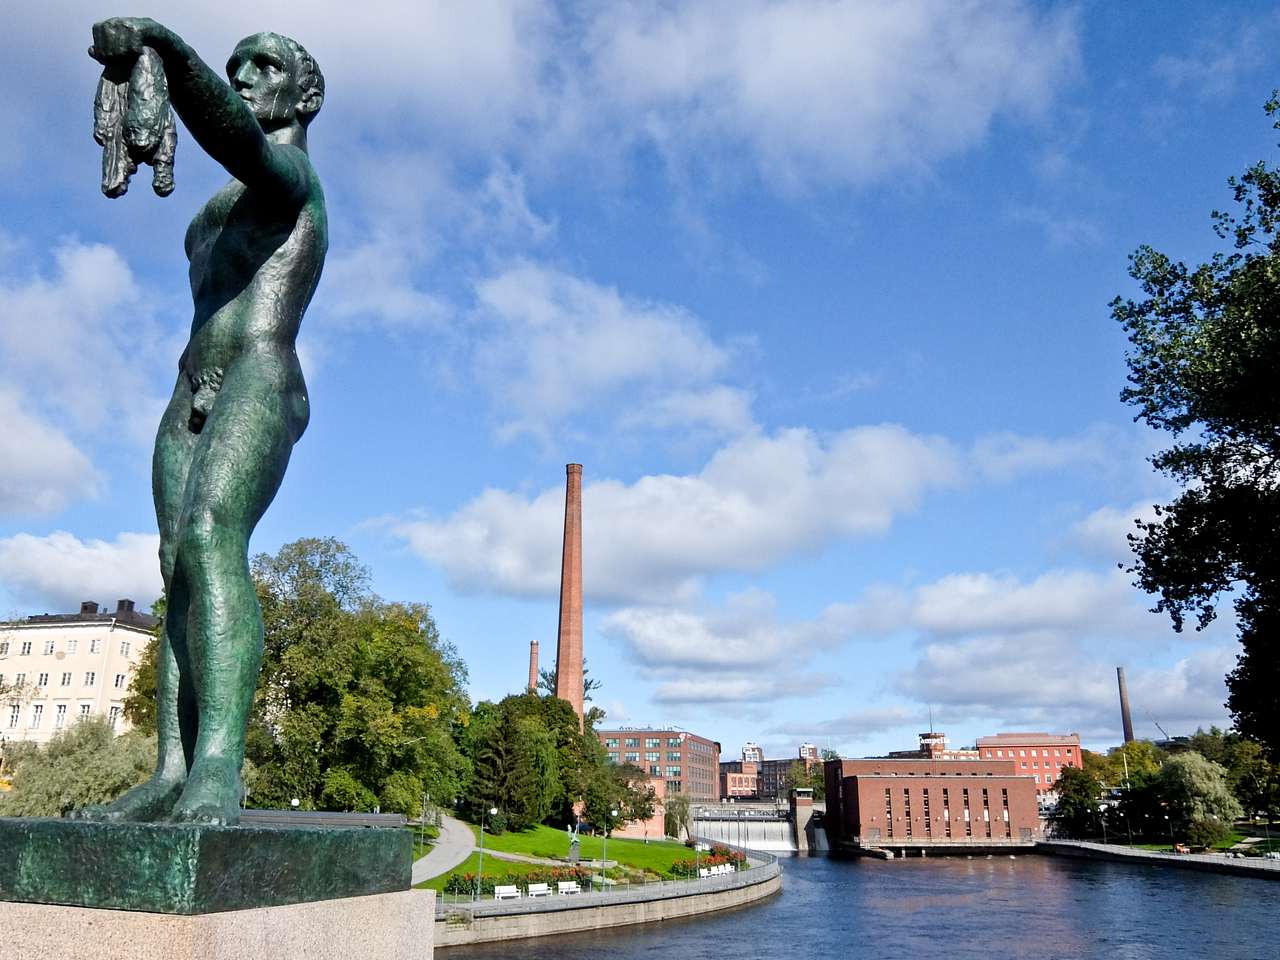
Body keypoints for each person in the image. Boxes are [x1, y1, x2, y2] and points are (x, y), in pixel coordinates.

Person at [77, 18, 327, 825]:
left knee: (214, 534)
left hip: (261, 370)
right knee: (177, 567)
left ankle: (219, 765)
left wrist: (166, 51)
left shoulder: (290, 175)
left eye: (266, 65)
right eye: (236, 66)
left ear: (305, 93)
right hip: (189, 384)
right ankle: (169, 772)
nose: (246, 75)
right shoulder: (224, 201)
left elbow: (240, 145)